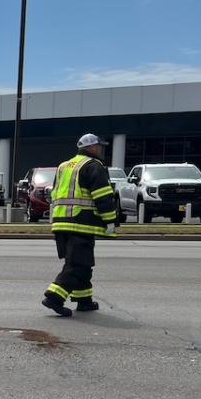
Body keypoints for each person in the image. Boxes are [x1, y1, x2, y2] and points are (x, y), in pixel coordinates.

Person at [42, 133, 120, 317]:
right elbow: (103, 196)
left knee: (83, 264)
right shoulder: (93, 166)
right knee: (76, 265)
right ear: (91, 147)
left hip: (61, 223)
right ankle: (54, 297)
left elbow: (54, 194)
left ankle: (84, 301)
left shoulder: (63, 166)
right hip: (81, 223)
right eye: (99, 146)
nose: (101, 150)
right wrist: (110, 221)